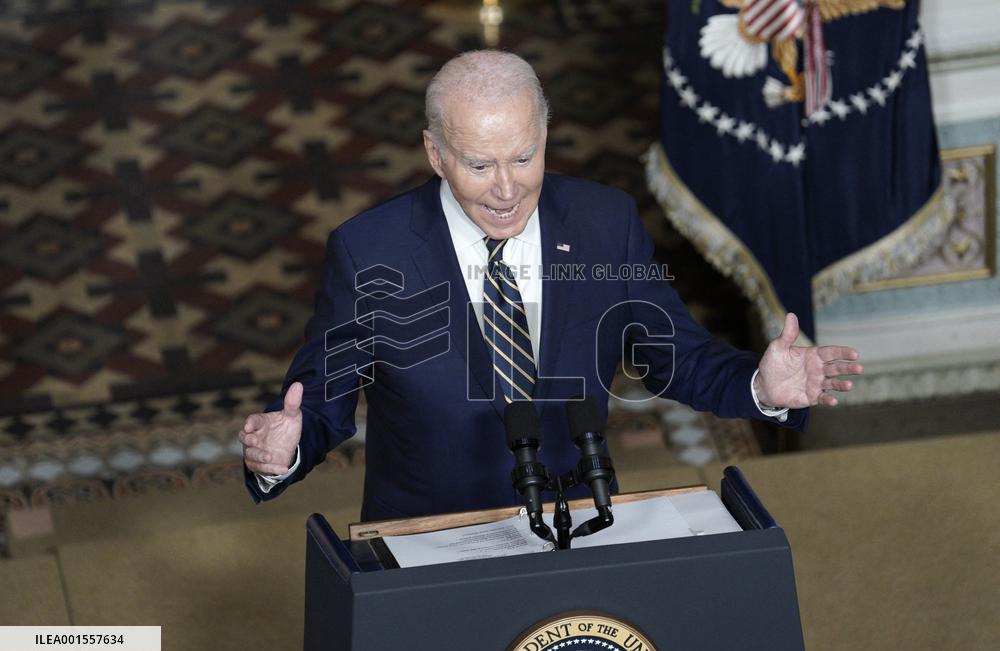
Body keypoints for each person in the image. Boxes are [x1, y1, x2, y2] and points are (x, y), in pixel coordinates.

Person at [239, 51, 862, 520]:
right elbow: (321, 400)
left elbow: (674, 357)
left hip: (579, 516)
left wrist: (760, 385)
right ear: (436, 154)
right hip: (428, 534)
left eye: (524, 157)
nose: (507, 190)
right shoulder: (370, 249)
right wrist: (283, 451)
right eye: (479, 165)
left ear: (545, 135)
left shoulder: (603, 222)